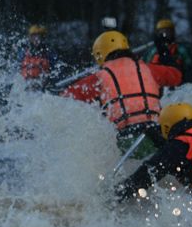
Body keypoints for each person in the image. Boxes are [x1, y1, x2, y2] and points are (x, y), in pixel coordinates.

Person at [61, 30, 182, 158]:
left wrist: (52, 89)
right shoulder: (148, 68)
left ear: (99, 55)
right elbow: (176, 75)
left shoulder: (97, 78)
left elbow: (65, 99)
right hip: (158, 136)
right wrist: (163, 50)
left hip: (127, 141)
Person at [142, 19, 192, 85]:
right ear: (157, 33)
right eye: (161, 30)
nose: (164, 33)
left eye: (168, 30)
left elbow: (191, 70)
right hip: (155, 86)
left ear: (173, 32)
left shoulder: (181, 49)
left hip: (177, 86)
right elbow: (143, 69)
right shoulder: (151, 51)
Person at [17, 25, 59, 89]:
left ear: (44, 38)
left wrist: (51, 85)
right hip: (26, 89)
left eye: (40, 36)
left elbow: (57, 74)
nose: (37, 38)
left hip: (43, 89)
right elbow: (15, 72)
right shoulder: (23, 54)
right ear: (30, 38)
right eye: (34, 35)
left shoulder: (51, 55)